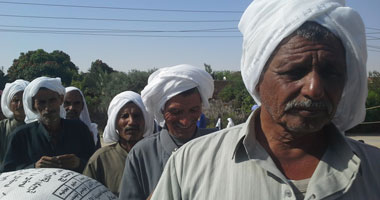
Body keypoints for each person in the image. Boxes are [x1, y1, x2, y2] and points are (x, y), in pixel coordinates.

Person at [151, 1, 380, 199]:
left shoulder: (374, 170)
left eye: (331, 72)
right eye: (295, 71)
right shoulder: (189, 165)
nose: (314, 89)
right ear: (257, 76)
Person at [119, 64, 215, 200]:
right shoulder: (141, 154)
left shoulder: (215, 145)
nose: (185, 121)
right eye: (176, 112)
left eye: (193, 110)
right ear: (162, 110)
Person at [0, 77, 95, 173]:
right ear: (33, 105)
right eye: (41, 102)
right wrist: (34, 167)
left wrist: (79, 163)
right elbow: (7, 172)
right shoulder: (21, 136)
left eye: (52, 100)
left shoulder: (79, 129)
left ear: (61, 100)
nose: (48, 108)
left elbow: (97, 165)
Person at [82, 91, 153, 196]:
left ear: (145, 120)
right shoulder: (100, 159)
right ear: (114, 122)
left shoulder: (156, 154)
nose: (131, 121)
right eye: (124, 116)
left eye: (137, 116)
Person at [0, 79, 29, 165]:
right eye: (16, 100)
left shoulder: (39, 125)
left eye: (23, 99)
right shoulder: (2, 127)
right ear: (9, 103)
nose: (20, 104)